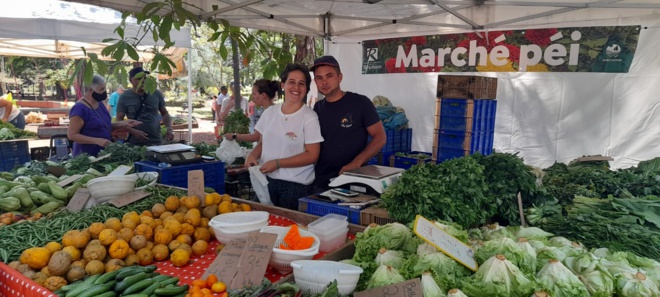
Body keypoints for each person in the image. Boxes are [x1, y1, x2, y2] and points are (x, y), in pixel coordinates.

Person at [245, 64, 324, 210]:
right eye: (291, 82)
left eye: (302, 83)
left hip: (296, 187)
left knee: (289, 230)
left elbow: (312, 155)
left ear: (306, 88)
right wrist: (252, 155)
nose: (296, 87)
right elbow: (263, 143)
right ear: (283, 85)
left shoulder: (309, 117)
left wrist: (278, 163)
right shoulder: (270, 113)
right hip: (266, 182)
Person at [311, 55, 387, 190]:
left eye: (329, 76)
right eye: (319, 78)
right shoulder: (317, 108)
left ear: (340, 77)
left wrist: (356, 163)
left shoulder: (360, 103)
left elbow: (380, 137)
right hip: (321, 181)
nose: (324, 82)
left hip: (354, 180)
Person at [67, 74, 141, 157]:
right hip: (86, 156)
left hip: (103, 154)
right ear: (91, 91)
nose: (104, 91)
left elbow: (102, 125)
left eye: (104, 88)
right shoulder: (79, 109)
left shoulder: (100, 104)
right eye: (101, 89)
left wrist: (123, 124)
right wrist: (97, 141)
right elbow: (72, 135)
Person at [116, 66, 174, 145]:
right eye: (139, 79)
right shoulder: (125, 97)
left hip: (156, 141)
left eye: (144, 78)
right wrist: (134, 131)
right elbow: (119, 120)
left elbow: (165, 113)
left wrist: (169, 128)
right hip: (135, 143)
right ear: (131, 81)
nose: (143, 81)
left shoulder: (155, 93)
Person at [224, 79, 280, 143]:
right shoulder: (275, 110)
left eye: (254, 94)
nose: (252, 98)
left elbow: (256, 136)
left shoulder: (268, 112)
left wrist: (234, 136)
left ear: (263, 95)